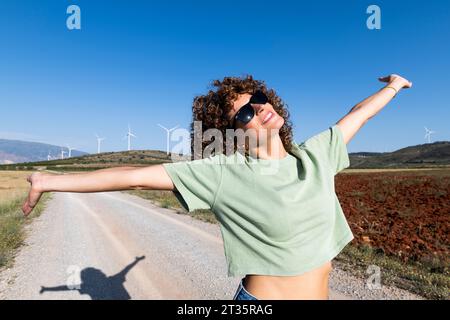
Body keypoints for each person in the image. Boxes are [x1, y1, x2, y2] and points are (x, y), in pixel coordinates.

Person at [22, 74, 412, 300]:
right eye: (245, 112)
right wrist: (49, 180)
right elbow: (133, 175)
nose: (258, 109)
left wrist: (394, 86)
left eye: (258, 100)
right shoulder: (223, 172)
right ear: (231, 134)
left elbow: (358, 114)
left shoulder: (315, 156)